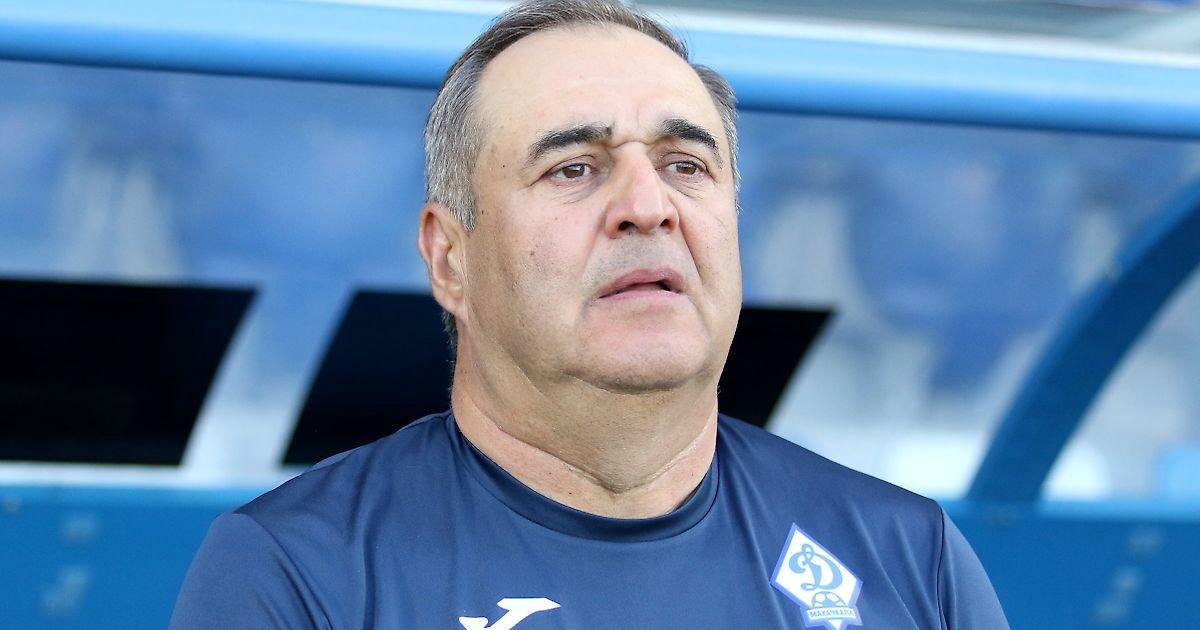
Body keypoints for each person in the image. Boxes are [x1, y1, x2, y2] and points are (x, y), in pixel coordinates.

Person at [171, 0, 1009, 628]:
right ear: (450, 257)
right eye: (574, 168)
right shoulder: (299, 571)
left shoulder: (908, 558)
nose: (648, 206)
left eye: (686, 165)